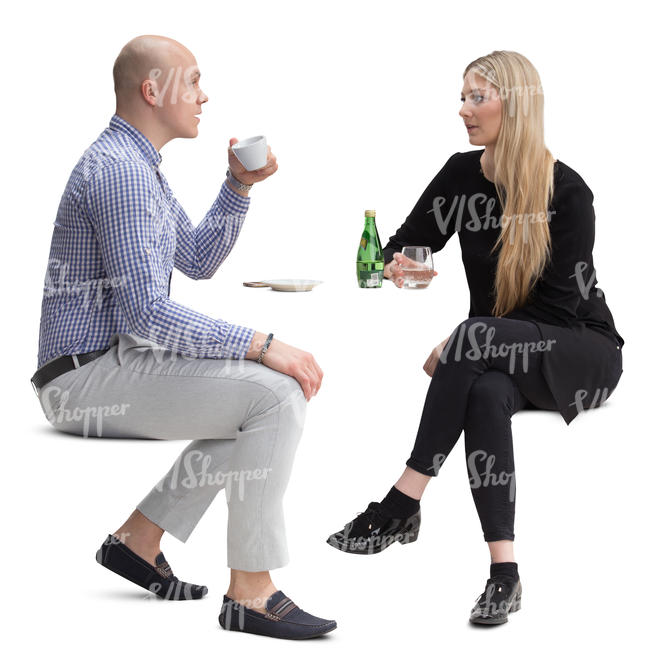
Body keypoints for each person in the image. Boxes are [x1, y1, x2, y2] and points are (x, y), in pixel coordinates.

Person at [30, 34, 336, 641]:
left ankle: (138, 540)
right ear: (153, 90)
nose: (204, 95)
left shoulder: (138, 164)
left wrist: (238, 186)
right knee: (274, 394)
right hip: (83, 379)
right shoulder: (121, 173)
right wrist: (262, 341)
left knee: (264, 400)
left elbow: (195, 258)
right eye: (193, 81)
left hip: (103, 364)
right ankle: (251, 591)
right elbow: (146, 314)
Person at [326, 50, 624, 626]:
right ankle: (504, 574)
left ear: (514, 106)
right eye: (462, 96)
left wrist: (465, 341)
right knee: (485, 395)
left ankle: (400, 504)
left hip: (581, 350)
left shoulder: (568, 192)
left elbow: (560, 313)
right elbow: (399, 245)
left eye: (476, 97)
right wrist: (396, 267)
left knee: (474, 341)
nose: (463, 109)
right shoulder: (462, 175)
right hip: (493, 350)